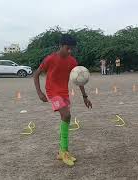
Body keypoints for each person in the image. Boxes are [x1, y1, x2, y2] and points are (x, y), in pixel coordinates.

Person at [33, 34, 92, 166]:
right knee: (66, 115)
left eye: (72, 49)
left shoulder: (72, 61)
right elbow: (36, 75)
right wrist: (39, 92)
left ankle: (62, 151)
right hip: (52, 92)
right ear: (61, 46)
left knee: (66, 118)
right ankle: (63, 150)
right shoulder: (50, 59)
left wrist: (85, 96)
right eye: (67, 48)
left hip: (64, 92)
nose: (70, 51)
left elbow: (79, 80)